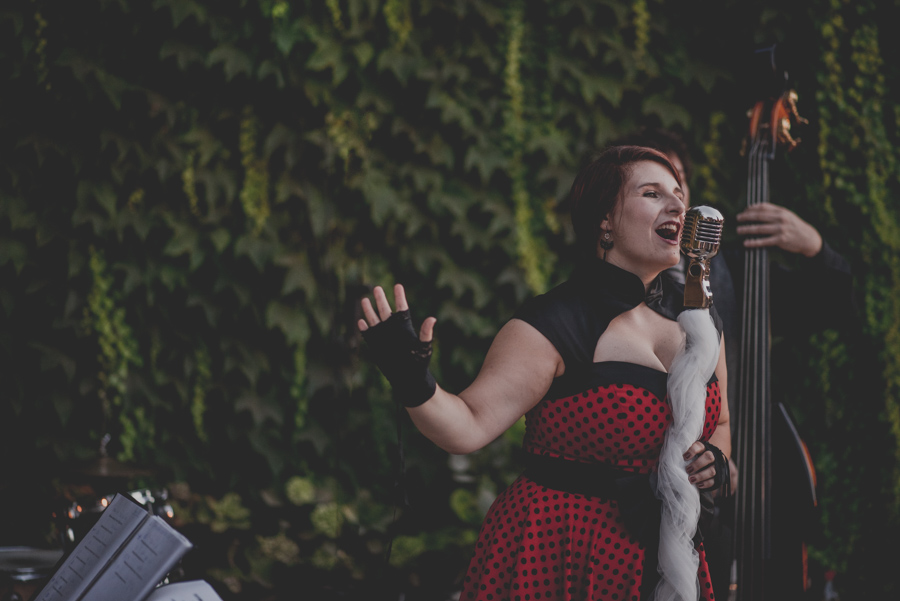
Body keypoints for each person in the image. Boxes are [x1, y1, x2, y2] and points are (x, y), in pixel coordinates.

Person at [358, 146, 731, 601]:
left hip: (668, 557)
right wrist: (412, 380)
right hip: (560, 552)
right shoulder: (553, 322)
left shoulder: (698, 320)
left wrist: (718, 463)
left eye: (678, 194)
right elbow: (467, 426)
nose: (678, 205)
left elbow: (723, 425)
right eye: (652, 193)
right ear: (605, 221)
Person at [613, 127, 854, 600]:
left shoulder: (736, 268)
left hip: (750, 448)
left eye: (676, 185)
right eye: (651, 188)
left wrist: (815, 249)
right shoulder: (612, 281)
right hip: (648, 482)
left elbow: (834, 307)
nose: (669, 201)